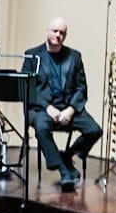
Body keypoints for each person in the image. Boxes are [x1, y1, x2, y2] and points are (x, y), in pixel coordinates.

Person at [23, 17, 100, 190]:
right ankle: (63, 169)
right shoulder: (32, 55)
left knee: (95, 130)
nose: (58, 35)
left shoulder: (74, 56)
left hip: (68, 108)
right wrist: (48, 107)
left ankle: (68, 155)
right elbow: (27, 88)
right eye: (55, 31)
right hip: (42, 108)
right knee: (41, 128)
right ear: (47, 31)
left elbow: (81, 88)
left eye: (62, 32)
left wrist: (71, 110)